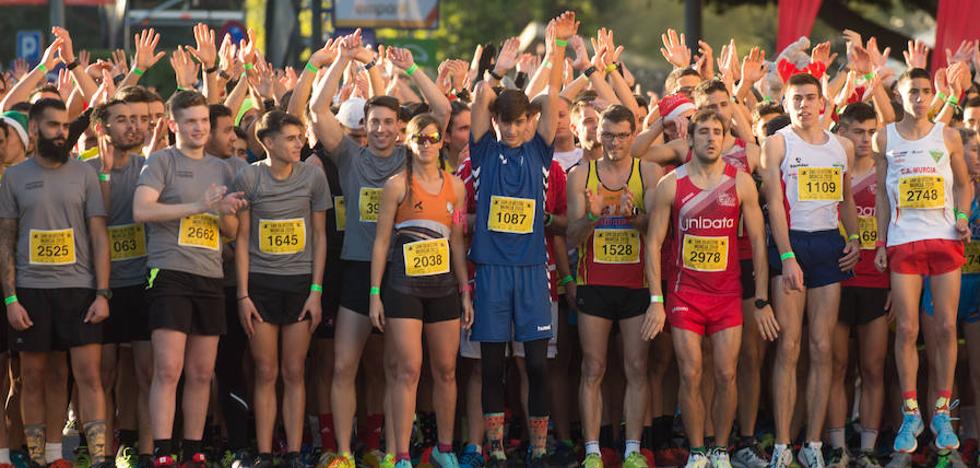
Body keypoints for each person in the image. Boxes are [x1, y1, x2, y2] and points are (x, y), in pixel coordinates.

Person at [308, 29, 449, 468]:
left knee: (398, 371)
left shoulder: (413, 157)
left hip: (403, 273)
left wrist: (407, 69)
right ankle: (345, 455)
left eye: (391, 123)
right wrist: (339, 61)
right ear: (364, 127)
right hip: (355, 269)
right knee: (344, 365)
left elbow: (441, 110)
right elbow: (315, 109)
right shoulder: (349, 156)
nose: (383, 129)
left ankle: (394, 452)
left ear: (401, 128)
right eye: (375, 122)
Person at [467, 11, 576, 466]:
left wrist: (559, 50)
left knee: (536, 365)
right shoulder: (483, 150)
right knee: (491, 367)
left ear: (530, 122)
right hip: (491, 273)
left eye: (519, 122)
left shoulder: (538, 149)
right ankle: (493, 448)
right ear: (495, 123)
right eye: (503, 123)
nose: (511, 130)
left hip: (533, 274)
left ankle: (537, 448)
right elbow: (477, 103)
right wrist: (492, 74)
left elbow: (552, 97)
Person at [646, 108, 772, 468]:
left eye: (718, 131)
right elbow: (654, 243)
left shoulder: (740, 182)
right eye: (704, 132)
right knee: (690, 372)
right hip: (686, 294)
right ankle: (698, 452)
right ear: (690, 139)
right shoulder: (671, 184)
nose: (712, 138)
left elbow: (760, 243)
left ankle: (720, 449)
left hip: (727, 294)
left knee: (726, 373)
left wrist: (761, 299)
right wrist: (656, 300)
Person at [132, 91, 247, 466]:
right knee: (168, 368)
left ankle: (192, 449)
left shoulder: (224, 168)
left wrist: (224, 213)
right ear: (173, 125)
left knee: (201, 371)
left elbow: (231, 230)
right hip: (169, 273)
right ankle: (162, 450)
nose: (199, 128)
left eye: (203, 121)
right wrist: (199, 206)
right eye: (191, 122)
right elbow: (141, 210)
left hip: (210, 275)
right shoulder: (161, 162)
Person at [0, 98, 111, 467]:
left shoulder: (84, 174)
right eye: (53, 126)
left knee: (86, 375)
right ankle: (39, 458)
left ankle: (98, 459)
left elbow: (99, 236)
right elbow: (6, 241)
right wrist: (11, 299)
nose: (62, 133)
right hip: (31, 291)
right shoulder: (13, 178)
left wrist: (102, 293)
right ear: (34, 130)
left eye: (65, 126)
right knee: (31, 376)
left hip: (78, 290)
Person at [760, 72, 860, 468]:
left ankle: (813, 443)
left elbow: (847, 198)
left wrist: (854, 238)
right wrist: (786, 257)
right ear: (786, 103)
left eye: (810, 98)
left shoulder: (842, 146)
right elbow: (772, 203)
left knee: (822, 349)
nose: (803, 105)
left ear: (823, 104)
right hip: (792, 242)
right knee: (789, 347)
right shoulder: (777, 143)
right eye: (796, 98)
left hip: (828, 247)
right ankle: (784, 443)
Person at [875, 67, 971, 456]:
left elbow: (965, 184)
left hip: (944, 239)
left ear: (934, 95)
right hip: (903, 241)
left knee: (947, 327)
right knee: (907, 329)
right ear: (899, 95)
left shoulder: (947, 135)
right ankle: (911, 411)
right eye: (912, 91)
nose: (919, 97)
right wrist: (881, 241)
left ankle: (942, 410)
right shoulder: (886, 136)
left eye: (925, 91)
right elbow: (883, 194)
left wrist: (962, 218)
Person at [368, 113, 472, 468]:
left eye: (432, 137)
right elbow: (381, 242)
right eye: (419, 139)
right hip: (403, 287)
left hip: (443, 286)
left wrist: (465, 290)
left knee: (445, 369)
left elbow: (457, 241)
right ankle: (400, 454)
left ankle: (444, 447)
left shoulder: (455, 187)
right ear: (407, 143)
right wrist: (374, 294)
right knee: (408, 369)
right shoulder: (397, 185)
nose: (426, 144)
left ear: (442, 141)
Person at [234, 110, 329, 467]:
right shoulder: (248, 176)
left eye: (300, 136)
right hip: (260, 286)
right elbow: (241, 240)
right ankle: (263, 453)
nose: (299, 143)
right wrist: (242, 295)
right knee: (265, 371)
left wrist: (316, 290)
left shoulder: (312, 178)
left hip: (300, 286)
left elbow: (320, 237)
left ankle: (292, 452)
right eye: (291, 138)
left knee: (294, 371)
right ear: (268, 142)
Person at [566, 104, 659, 468]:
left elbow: (656, 229)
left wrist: (633, 214)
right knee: (593, 367)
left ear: (633, 135)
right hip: (595, 283)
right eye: (608, 135)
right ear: (597, 135)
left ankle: (633, 449)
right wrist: (592, 215)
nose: (614, 143)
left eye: (622, 135)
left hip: (636, 284)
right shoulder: (581, 175)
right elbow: (572, 235)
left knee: (637, 367)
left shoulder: (647, 172)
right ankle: (592, 450)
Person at [824, 102, 889, 468]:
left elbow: (896, 228)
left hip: (876, 281)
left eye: (870, 132)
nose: (865, 139)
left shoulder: (885, 169)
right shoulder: (831, 169)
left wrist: (896, 282)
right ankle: (837, 447)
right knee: (836, 366)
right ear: (842, 132)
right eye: (858, 132)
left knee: (874, 368)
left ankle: (867, 447)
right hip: (837, 278)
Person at [87, 98, 150, 468]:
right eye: (123, 120)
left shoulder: (151, 168)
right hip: (101, 288)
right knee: (103, 375)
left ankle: (144, 453)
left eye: (139, 120)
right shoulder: (85, 171)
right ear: (103, 128)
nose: (134, 126)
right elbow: (99, 220)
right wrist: (105, 175)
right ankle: (103, 454)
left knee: (146, 374)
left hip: (142, 286)